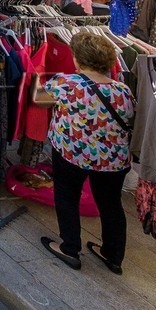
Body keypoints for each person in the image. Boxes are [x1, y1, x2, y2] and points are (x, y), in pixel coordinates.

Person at [33, 30, 136, 273]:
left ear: (79, 59)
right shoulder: (123, 91)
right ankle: (113, 256)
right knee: (111, 204)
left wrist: (38, 79)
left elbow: (39, 100)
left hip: (72, 153)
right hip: (113, 160)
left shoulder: (66, 83)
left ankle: (70, 248)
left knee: (67, 196)